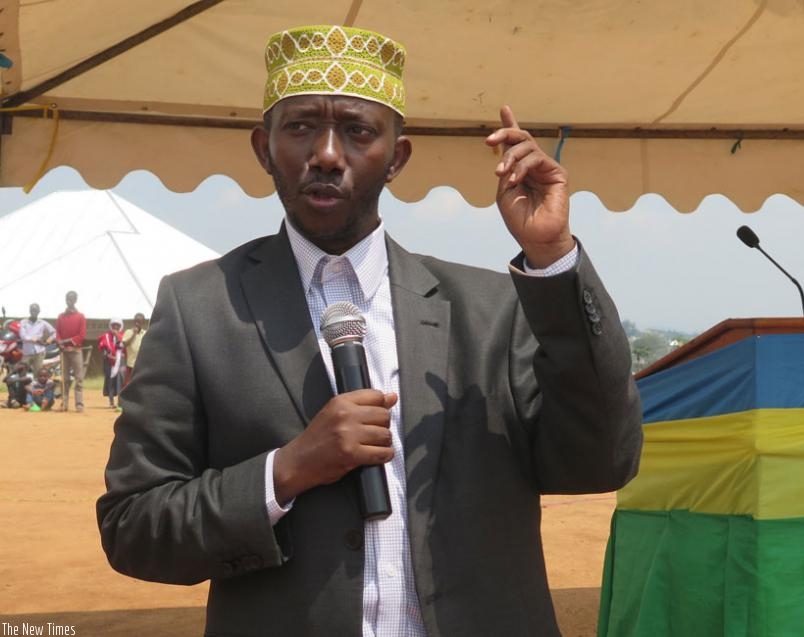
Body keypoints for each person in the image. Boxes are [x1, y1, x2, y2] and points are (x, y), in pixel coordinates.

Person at [97, 25, 643, 637]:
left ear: (398, 158)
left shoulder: (490, 310)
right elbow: (134, 526)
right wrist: (285, 470)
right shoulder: (201, 308)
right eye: (300, 127)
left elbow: (603, 461)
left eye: (358, 131)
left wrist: (552, 257)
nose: (327, 154)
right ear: (262, 148)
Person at [55, 290, 86, 412]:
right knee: (65, 378)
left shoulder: (81, 316)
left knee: (79, 377)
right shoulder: (61, 317)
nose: (69, 300)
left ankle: (79, 404)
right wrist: (59, 342)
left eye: (72, 298)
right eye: (68, 298)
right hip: (63, 351)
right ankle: (64, 404)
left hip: (76, 350)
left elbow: (81, 335)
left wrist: (65, 341)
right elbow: (57, 332)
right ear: (65, 300)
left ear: (75, 300)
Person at [18, 303, 56, 375]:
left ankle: (37, 386)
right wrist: (35, 339)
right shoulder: (24, 322)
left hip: (39, 352)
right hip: (27, 352)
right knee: (22, 373)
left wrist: (48, 341)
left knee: (38, 374)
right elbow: (22, 336)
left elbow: (54, 332)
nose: (34, 312)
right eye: (32, 310)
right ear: (29, 311)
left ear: (39, 311)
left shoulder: (42, 323)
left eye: (35, 310)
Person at [98, 318, 125, 409]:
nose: (115, 327)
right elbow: (103, 350)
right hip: (109, 363)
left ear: (120, 326)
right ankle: (111, 402)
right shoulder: (105, 336)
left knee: (120, 382)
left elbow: (125, 348)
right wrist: (108, 355)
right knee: (110, 382)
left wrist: (118, 336)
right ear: (111, 326)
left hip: (120, 363)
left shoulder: (123, 336)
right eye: (114, 325)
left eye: (117, 325)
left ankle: (120, 402)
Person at [121, 313, 146, 387]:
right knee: (127, 385)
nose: (137, 323)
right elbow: (125, 344)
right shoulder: (128, 332)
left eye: (139, 321)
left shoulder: (145, 333)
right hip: (130, 364)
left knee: (140, 385)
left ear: (143, 322)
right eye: (135, 321)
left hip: (141, 365)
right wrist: (134, 334)